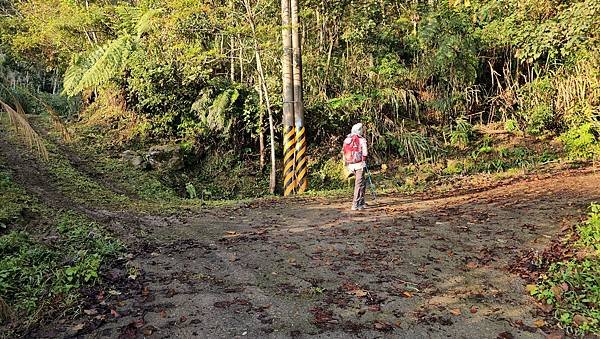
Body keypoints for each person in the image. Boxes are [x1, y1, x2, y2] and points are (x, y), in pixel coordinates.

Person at [343, 123, 368, 211]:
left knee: (362, 183)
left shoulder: (347, 139)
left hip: (351, 165)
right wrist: (363, 160)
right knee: (359, 184)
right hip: (360, 165)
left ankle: (361, 201)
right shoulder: (362, 140)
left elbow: (344, 152)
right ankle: (355, 204)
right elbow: (365, 153)